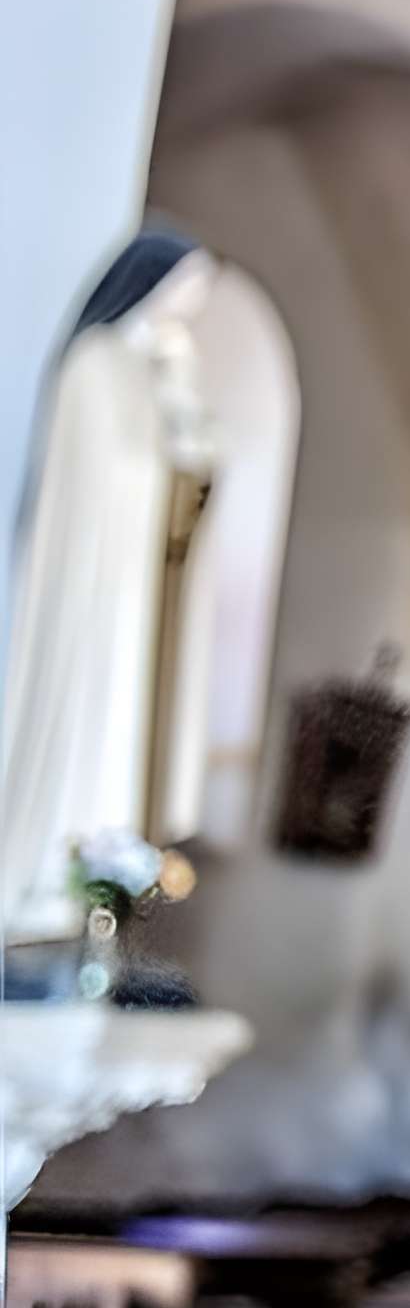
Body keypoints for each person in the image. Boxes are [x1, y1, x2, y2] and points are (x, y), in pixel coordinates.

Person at [0, 233, 219, 947]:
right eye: (187, 285)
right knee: (84, 718)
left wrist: (181, 402)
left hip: (137, 602)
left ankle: (90, 907)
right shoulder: (94, 367)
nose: (193, 305)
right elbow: (105, 477)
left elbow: (191, 479)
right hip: (91, 589)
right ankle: (39, 890)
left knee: (124, 727)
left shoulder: (159, 374)